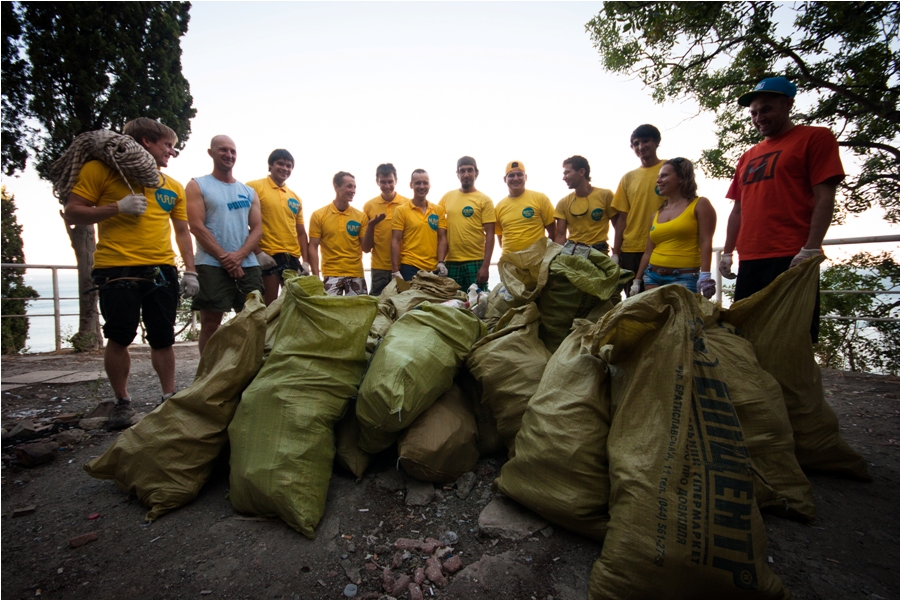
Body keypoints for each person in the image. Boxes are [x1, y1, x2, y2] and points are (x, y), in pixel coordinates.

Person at [63, 118, 198, 429]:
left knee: (163, 338)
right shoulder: (101, 171)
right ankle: (123, 402)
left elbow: (181, 232)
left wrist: (189, 271)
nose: (171, 153)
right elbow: (72, 210)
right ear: (147, 141)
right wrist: (116, 208)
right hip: (116, 269)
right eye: (168, 146)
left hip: (161, 271)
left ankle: (168, 397)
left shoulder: (172, 187)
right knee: (119, 336)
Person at [720, 76, 844, 341]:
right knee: (746, 333)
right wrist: (728, 251)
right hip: (751, 256)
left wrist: (811, 248)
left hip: (792, 255)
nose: (759, 118)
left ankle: (791, 385)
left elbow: (825, 197)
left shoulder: (815, 137)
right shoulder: (747, 156)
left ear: (788, 104)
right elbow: (738, 209)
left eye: (766, 109)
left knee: (792, 337)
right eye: (753, 113)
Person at [186, 135, 263, 355]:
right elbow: (197, 226)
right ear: (211, 153)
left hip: (247, 264)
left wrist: (238, 256)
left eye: (232, 151)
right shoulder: (197, 185)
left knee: (252, 320)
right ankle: (209, 374)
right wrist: (226, 258)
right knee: (211, 324)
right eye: (223, 150)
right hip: (211, 264)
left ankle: (246, 370)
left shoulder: (248, 191)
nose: (228, 155)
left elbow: (257, 230)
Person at [631, 158, 717, 298]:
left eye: (664, 176)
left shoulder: (700, 204)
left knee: (682, 319)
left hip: (684, 277)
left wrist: (705, 275)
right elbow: (648, 251)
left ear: (682, 178)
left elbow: (705, 241)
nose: (658, 181)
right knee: (658, 319)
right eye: (658, 176)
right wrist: (637, 280)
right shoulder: (656, 214)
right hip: (652, 276)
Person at [246, 149, 310, 306]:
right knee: (269, 308)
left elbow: (301, 232)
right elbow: (241, 223)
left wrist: (306, 261)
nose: (285, 168)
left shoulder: (295, 197)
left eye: (289, 166)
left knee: (295, 307)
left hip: (292, 258)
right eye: (280, 164)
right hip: (268, 256)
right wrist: (258, 253)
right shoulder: (253, 188)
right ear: (270, 166)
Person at [611, 124, 667, 295]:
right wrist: (616, 252)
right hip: (631, 248)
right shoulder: (628, 178)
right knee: (634, 302)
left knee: (663, 299)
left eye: (645, 141)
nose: (641, 147)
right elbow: (622, 218)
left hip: (663, 244)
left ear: (657, 142)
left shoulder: (669, 170)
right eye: (636, 143)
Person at [308, 171, 375, 295]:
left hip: (356, 274)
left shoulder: (361, 216)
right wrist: (316, 277)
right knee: (329, 312)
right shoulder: (319, 215)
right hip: (331, 273)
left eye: (354, 187)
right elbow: (312, 246)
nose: (353, 190)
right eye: (349, 186)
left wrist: (371, 227)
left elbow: (366, 248)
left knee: (358, 313)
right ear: (336, 187)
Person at [438, 156, 496, 290]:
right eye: (462, 171)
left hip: (476, 261)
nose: (466, 174)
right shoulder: (447, 197)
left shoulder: (484, 200)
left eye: (470, 170)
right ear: (457, 174)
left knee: (478, 304)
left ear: (476, 173)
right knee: (452, 303)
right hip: (451, 262)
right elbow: (436, 223)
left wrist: (485, 266)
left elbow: (491, 235)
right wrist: (440, 262)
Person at [391, 169, 448, 281]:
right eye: (417, 183)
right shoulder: (401, 210)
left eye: (425, 183)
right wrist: (395, 270)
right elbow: (395, 240)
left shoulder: (438, 210)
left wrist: (441, 262)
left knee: (433, 299)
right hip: (410, 266)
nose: (422, 186)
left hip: (433, 268)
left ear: (429, 185)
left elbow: (442, 238)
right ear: (411, 185)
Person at [554, 155, 618, 253]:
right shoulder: (563, 203)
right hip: (574, 254)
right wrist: (557, 258)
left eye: (567, 172)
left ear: (581, 172)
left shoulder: (605, 195)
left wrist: (616, 253)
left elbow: (618, 226)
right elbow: (560, 236)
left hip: (600, 254)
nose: (564, 178)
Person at [363, 163, 409, 296]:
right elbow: (366, 245)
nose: (387, 186)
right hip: (379, 266)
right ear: (377, 181)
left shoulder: (407, 204)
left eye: (390, 181)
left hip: (403, 265)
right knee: (378, 306)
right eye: (383, 182)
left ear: (396, 180)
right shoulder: (369, 206)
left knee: (403, 306)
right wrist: (372, 225)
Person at [494, 161, 555, 254]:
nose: (515, 178)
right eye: (511, 175)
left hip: (537, 260)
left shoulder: (540, 198)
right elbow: (500, 238)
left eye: (519, 174)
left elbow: (553, 232)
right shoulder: (499, 207)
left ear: (525, 177)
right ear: (504, 179)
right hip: (510, 262)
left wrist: (547, 255)